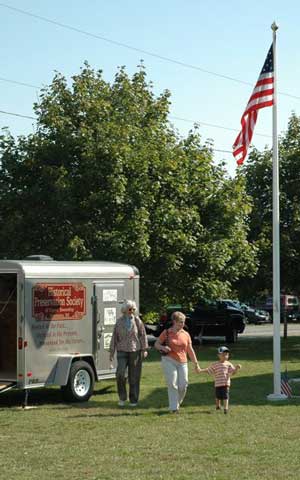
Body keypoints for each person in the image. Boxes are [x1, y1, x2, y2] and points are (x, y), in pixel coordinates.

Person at [154, 311, 201, 413]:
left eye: (183, 322)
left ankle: (177, 403)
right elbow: (156, 344)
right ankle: (173, 408)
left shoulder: (186, 334)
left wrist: (196, 364)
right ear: (174, 321)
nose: (182, 324)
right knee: (172, 384)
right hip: (169, 360)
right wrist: (163, 347)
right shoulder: (166, 332)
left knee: (183, 385)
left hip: (183, 362)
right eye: (180, 322)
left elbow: (190, 350)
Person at [109, 300, 148, 407]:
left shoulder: (137, 321)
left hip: (135, 351)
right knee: (120, 374)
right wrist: (111, 352)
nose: (132, 311)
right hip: (121, 351)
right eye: (130, 309)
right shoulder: (119, 322)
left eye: (134, 309)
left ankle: (133, 400)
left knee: (134, 376)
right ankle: (122, 397)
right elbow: (114, 337)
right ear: (125, 310)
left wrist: (144, 349)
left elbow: (143, 335)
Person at [199, 345, 241, 414]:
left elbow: (233, 372)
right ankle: (218, 406)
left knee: (225, 396)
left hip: (225, 383)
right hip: (218, 383)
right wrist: (200, 370)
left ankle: (225, 409)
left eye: (227, 355)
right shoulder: (215, 364)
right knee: (217, 396)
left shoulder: (228, 364)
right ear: (218, 355)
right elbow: (209, 370)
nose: (225, 356)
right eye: (223, 354)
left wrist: (236, 368)